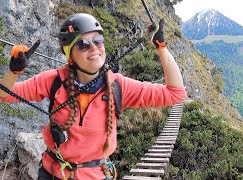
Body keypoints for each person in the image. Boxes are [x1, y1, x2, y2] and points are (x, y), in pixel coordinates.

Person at [0, 13, 186, 179]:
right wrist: (14, 72)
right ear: (70, 55)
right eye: (82, 44)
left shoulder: (118, 86)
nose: (94, 48)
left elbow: (175, 94)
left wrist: (161, 47)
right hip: (52, 172)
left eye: (97, 40)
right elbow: (5, 95)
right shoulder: (53, 81)